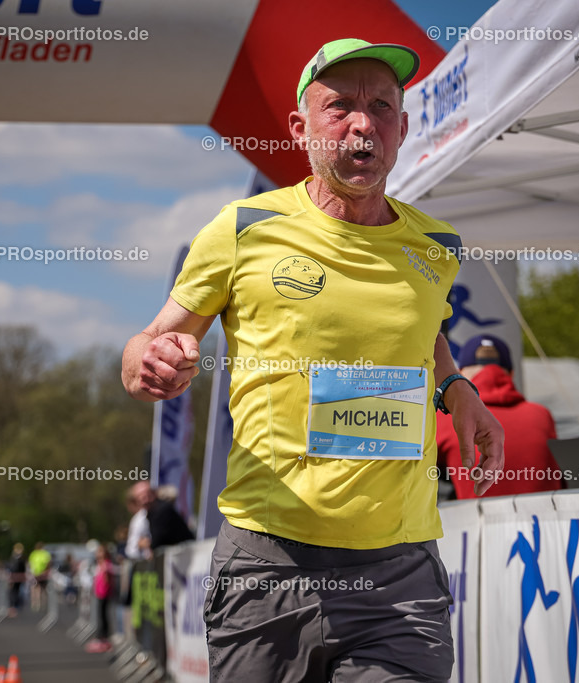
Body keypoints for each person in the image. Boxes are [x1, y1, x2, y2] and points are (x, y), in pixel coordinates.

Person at [122, 38, 504, 682]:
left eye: (382, 106)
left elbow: (425, 332)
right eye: (340, 107)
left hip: (398, 574)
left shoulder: (437, 246)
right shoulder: (243, 228)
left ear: (402, 127)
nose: (363, 124)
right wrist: (148, 363)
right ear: (300, 129)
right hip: (270, 567)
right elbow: (148, 343)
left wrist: (458, 389)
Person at [437, 334, 561, 498]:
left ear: (461, 375)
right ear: (511, 374)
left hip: (474, 520)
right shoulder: (542, 414)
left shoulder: (445, 418)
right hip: (541, 520)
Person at [84, 543, 115, 654]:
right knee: (100, 615)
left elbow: (108, 580)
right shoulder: (99, 564)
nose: (98, 554)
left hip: (104, 593)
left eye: (100, 551)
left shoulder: (106, 564)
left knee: (103, 615)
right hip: (99, 593)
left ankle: (104, 638)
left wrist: (106, 589)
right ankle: (101, 637)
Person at [28, 542, 52, 611]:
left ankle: (35, 604)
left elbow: (30, 564)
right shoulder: (45, 553)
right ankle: (42, 603)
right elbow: (48, 563)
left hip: (35, 574)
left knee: (35, 589)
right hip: (42, 574)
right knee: (43, 589)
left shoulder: (33, 554)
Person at [7, 543, 25, 618]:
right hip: (14, 578)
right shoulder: (13, 558)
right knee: (13, 592)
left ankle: (16, 607)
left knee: (17, 592)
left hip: (19, 579)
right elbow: (12, 568)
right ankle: (12, 607)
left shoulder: (20, 558)